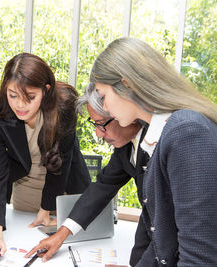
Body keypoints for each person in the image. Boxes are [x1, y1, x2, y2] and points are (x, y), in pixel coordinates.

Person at [76, 37, 216, 265]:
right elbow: (164, 241)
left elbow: (199, 257)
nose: (106, 107)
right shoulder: (166, 134)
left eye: (103, 96)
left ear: (127, 84)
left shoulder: (187, 133)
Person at [27, 82, 151, 265]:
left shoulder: (164, 142)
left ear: (123, 113)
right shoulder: (126, 147)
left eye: (102, 124)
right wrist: (61, 234)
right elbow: (101, 188)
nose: (98, 134)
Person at [0, 53, 91, 260]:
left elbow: (61, 164)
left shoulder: (64, 106)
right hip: (26, 187)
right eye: (13, 95)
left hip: (65, 190)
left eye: (30, 97)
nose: (20, 105)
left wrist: (46, 209)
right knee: (25, 238)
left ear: (46, 90)